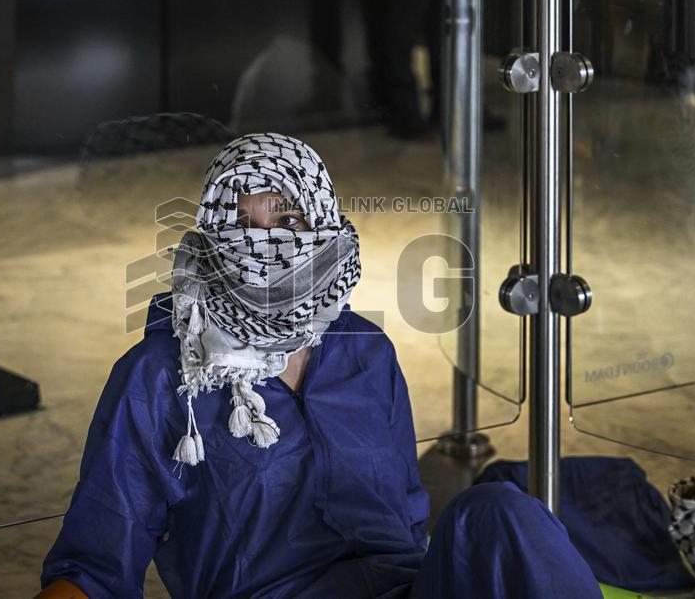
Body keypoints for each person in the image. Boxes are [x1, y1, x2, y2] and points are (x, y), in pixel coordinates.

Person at [37, 134, 600, 598]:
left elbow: (406, 523)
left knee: (497, 510)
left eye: (287, 222)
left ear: (324, 226)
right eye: (242, 225)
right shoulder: (164, 377)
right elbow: (93, 569)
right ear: (211, 237)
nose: (264, 247)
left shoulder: (366, 352)